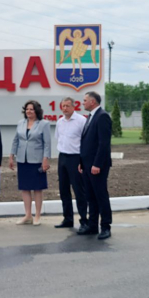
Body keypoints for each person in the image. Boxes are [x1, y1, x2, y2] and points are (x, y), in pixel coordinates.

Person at [9, 100, 51, 226]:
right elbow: (15, 140)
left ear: (36, 111)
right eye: (27, 109)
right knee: (25, 188)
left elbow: (47, 143)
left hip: (37, 160)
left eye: (31, 109)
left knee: (37, 188)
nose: (29, 111)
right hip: (23, 159)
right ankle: (28, 215)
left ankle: (37, 215)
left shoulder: (44, 124)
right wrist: (11, 156)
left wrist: (45, 159)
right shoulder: (21, 123)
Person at [78, 91, 113, 240]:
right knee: (90, 196)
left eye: (85, 100)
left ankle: (105, 226)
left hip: (97, 166)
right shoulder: (91, 116)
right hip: (87, 165)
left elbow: (103, 144)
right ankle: (92, 226)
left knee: (100, 196)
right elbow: (86, 143)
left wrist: (97, 164)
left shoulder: (102, 116)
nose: (83, 103)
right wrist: (81, 162)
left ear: (92, 102)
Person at [54, 97, 87, 229]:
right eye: (63, 106)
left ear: (74, 107)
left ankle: (84, 220)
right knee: (63, 190)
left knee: (79, 190)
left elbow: (86, 141)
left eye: (67, 106)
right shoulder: (60, 122)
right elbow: (58, 138)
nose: (65, 108)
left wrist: (82, 161)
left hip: (76, 158)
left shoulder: (81, 121)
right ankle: (67, 219)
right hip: (63, 157)